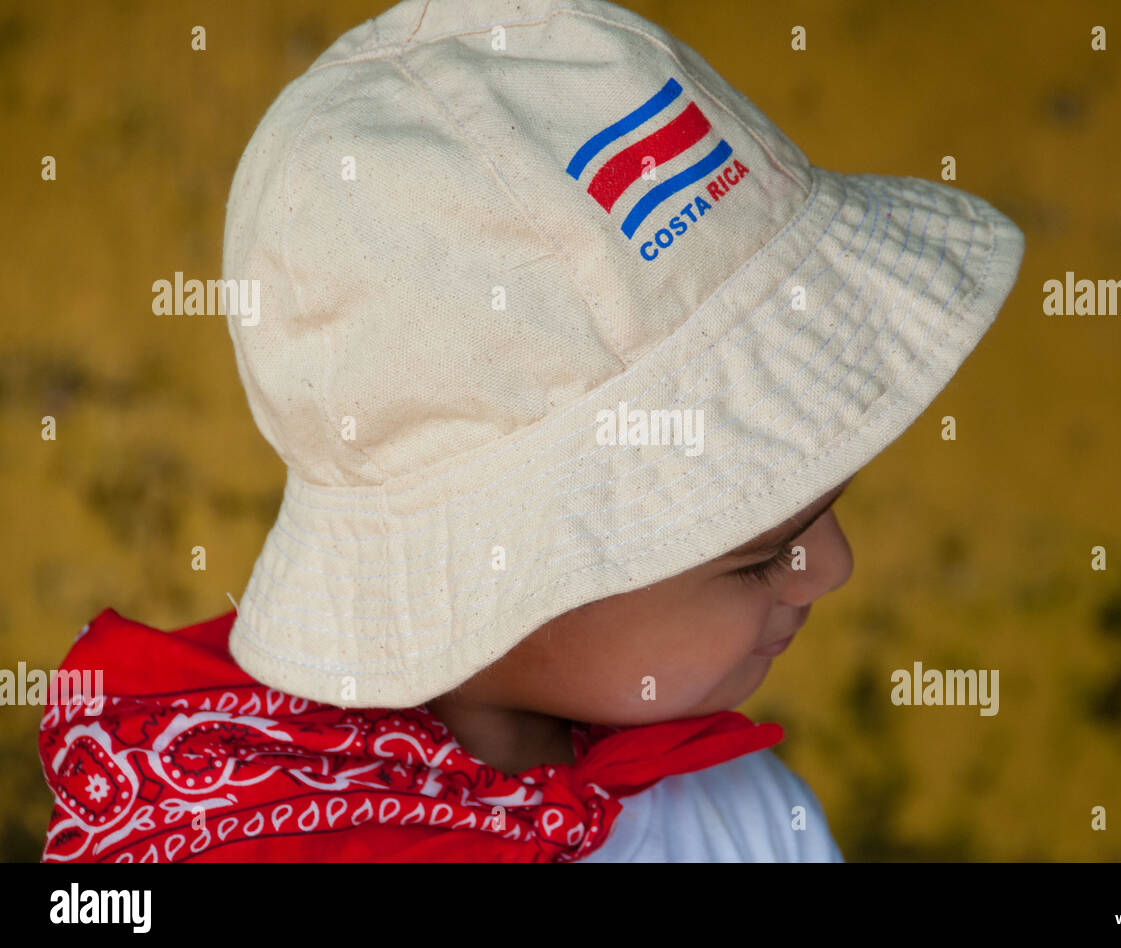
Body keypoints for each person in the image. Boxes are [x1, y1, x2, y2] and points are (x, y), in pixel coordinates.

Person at [39, 0, 1024, 862]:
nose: (832, 568)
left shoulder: (737, 806)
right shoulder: (223, 833)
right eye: (760, 555)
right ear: (499, 583)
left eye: (817, 517)